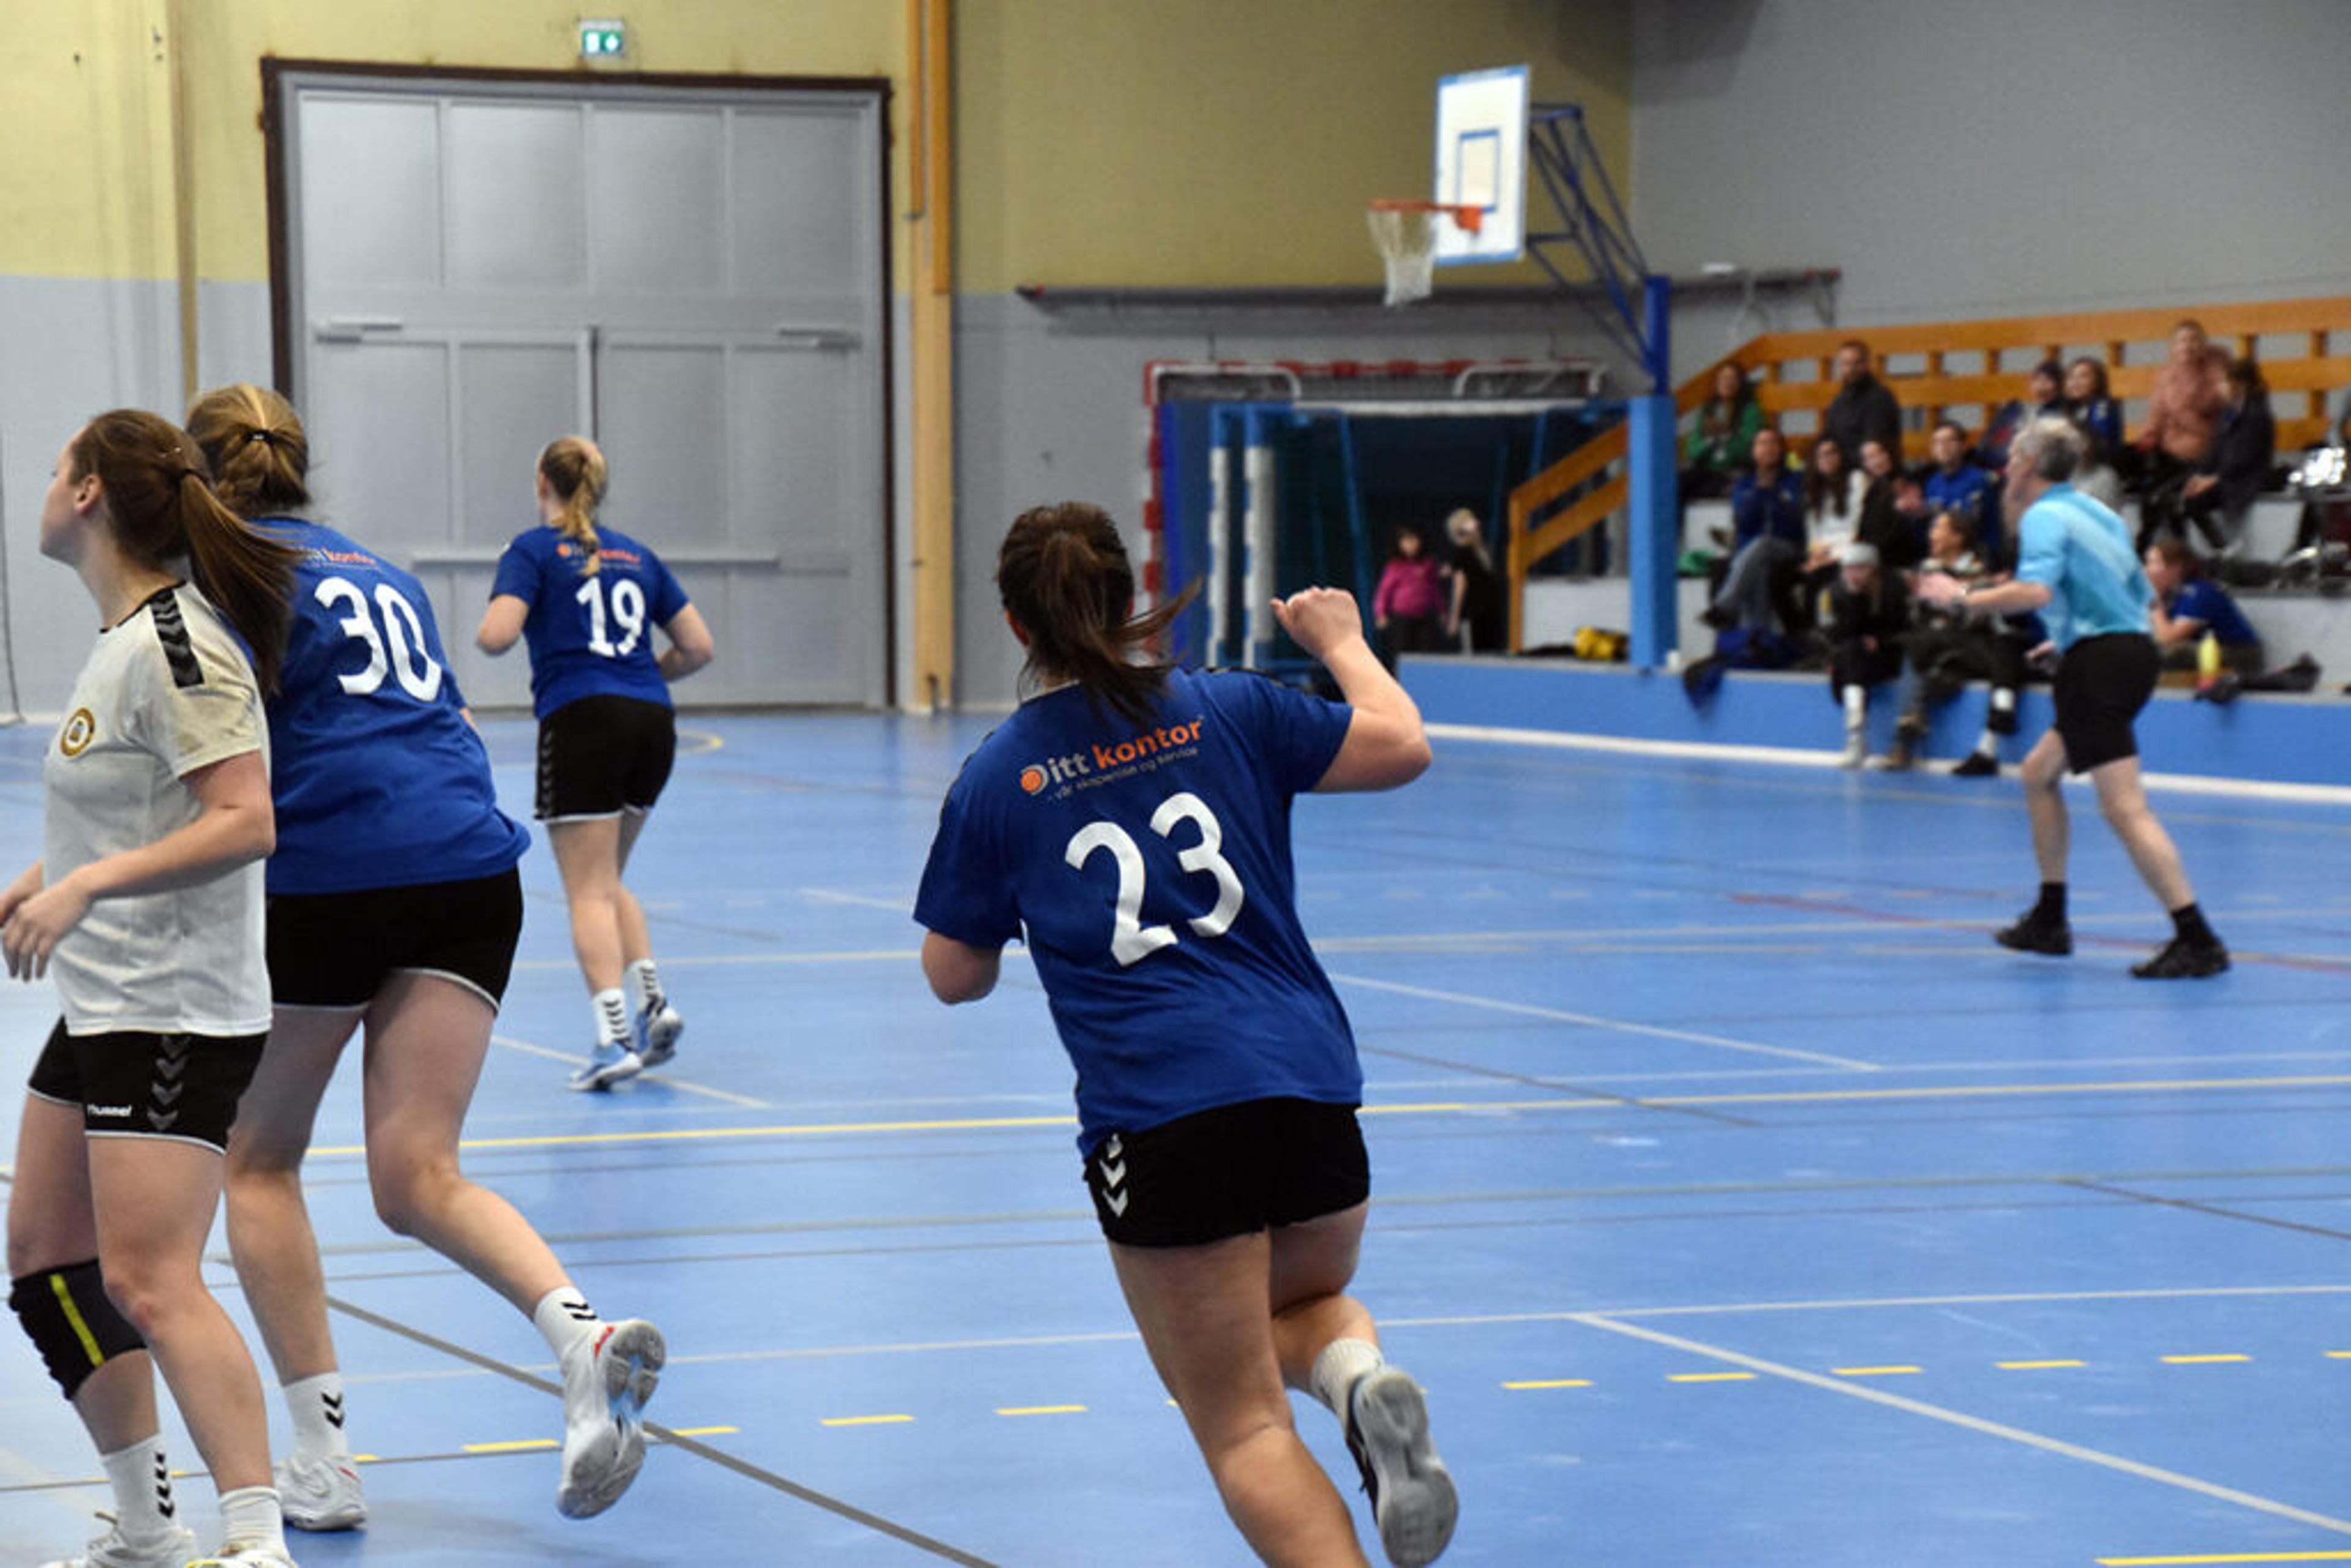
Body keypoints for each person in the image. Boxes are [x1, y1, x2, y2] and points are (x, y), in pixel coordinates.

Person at [915, 503, 1457, 1568]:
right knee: (1302, 1307)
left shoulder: (1000, 775)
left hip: (1163, 1117)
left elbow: (952, 974)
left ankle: (1353, 1409)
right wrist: (1343, 643)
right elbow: (1403, 744)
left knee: (1239, 1421)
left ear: (1017, 625)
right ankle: (1356, 1376)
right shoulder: (1229, 707)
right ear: (1129, 598)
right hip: (1310, 1090)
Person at [187, 386, 667, 1534]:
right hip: (469, 872)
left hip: (336, 873)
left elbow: (223, 762)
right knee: (417, 1176)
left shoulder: (229, 580)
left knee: (258, 1160)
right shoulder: (386, 574)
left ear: (199, 479)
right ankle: (582, 1338)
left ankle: (322, 1461)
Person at [4, 410, 300, 1568]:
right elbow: (135, 810)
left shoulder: (182, 644)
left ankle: (257, 1540)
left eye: (55, 468)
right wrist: (43, 881)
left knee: (150, 1278)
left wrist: (85, 887)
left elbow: (245, 819)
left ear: (88, 495)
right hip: (104, 1000)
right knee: (46, 1263)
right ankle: (145, 1528)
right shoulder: (120, 640)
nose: (43, 487)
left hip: (172, 1007)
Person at [1917, 418, 2229, 979]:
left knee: (2125, 808)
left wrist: (1962, 595)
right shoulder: (2100, 513)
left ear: (2029, 465)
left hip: (2101, 662)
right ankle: (2050, 916)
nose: (2007, 468)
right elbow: (2138, 594)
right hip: (2127, 653)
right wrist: (2071, 642)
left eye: (2013, 458)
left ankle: (2197, 936)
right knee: (2039, 773)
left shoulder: (2043, 515)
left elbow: (2035, 591)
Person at [475, 437, 714, 1089]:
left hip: (583, 718)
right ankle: (653, 1003)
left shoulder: (532, 550)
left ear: (542, 482)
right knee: (606, 877)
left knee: (585, 889)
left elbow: (496, 635)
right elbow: (698, 646)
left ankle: (612, 1038)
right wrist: (640, 675)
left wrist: (503, 612)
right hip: (652, 721)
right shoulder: (637, 554)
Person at [1880, 511, 2036, 776]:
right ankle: (1910, 722)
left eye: (1939, 528)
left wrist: (1956, 594)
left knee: (1926, 648)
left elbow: (1978, 613)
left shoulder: (1979, 572)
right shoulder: (1926, 569)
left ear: (1958, 537)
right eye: (1932, 528)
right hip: (1934, 644)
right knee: (1926, 658)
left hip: (1967, 642)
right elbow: (1918, 612)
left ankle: (1907, 730)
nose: (1932, 534)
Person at [2168, 357, 2275, 555]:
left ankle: (2221, 547)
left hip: (2243, 478)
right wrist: (2200, 476)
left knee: (2194, 503)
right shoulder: (2229, 414)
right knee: (2171, 495)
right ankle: (2181, 549)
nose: (2219, 389)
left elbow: (2244, 458)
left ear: (2239, 385)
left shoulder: (2256, 415)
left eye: (2223, 383)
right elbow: (2216, 452)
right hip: (2223, 474)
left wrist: (2214, 479)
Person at [1704, 426, 1805, 634]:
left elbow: (1794, 522)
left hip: (1787, 547)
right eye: (1762, 443)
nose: (1768, 448)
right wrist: (1760, 492)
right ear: (1754, 451)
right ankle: (1756, 636)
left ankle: (1725, 606)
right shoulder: (1744, 484)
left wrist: (1774, 495)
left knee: (1763, 545)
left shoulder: (1795, 480)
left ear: (1782, 449)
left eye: (1773, 443)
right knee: (1758, 568)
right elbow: (1745, 522)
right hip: (1752, 552)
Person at [1822, 542, 1910, 768]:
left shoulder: (1894, 589)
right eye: (1849, 569)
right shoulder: (1832, 593)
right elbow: (1832, 633)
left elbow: (1905, 629)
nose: (1854, 575)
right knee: (1851, 651)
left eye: (1861, 569)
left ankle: (1855, 737)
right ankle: (1855, 731)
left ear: (1874, 570)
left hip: (1887, 657)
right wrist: (1854, 598)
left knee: (1852, 654)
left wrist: (1880, 641)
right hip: (1850, 658)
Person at [2143, 539, 2263, 677]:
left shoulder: (2199, 592)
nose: (2147, 570)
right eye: (2147, 563)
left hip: (2238, 653)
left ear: (2176, 568)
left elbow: (2169, 638)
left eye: (2154, 563)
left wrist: (2155, 601)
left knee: (2172, 653)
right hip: (2202, 647)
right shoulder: (2172, 593)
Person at [1681, 362, 1762, 502]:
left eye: (1732, 378)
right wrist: (1709, 441)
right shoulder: (1707, 411)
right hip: (1707, 471)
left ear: (1740, 383)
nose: (1727, 383)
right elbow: (1692, 451)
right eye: (1723, 378)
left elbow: (1748, 448)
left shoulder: (1751, 411)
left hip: (1735, 471)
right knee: (1677, 484)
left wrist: (1726, 434)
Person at [1924, 419, 2001, 557]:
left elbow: (1989, 526)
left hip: (1975, 555)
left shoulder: (1980, 480)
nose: (1943, 447)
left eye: (1950, 441)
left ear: (1964, 446)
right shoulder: (1932, 483)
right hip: (1941, 556)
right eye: (1937, 442)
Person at [1821, 339, 1902, 463]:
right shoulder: (1839, 402)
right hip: (1842, 469)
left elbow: (1874, 446)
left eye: (1856, 363)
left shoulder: (1880, 399)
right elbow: (1829, 438)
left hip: (1871, 470)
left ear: (1867, 364)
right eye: (1846, 363)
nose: (1851, 369)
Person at [1978, 360, 2067, 472]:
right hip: (2004, 467)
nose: (2041, 385)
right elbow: (1990, 444)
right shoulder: (2015, 410)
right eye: (2037, 380)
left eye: (2047, 380)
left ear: (2059, 385)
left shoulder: (2064, 415)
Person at [1371, 528, 1445, 657]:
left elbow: (1435, 589)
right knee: (1402, 652)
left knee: (1428, 652)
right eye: (1406, 541)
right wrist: (1381, 614)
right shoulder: (1394, 566)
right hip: (1402, 618)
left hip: (1425, 616)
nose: (1410, 544)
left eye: (1413, 540)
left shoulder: (1428, 564)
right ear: (1400, 544)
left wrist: (1442, 611)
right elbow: (1384, 592)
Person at [1442, 508, 1504, 653]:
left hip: (1488, 614)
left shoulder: (1480, 553)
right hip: (1472, 616)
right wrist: (1455, 617)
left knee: (1489, 653)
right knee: (1475, 655)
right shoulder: (1461, 553)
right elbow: (1459, 587)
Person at [2064, 356, 2125, 462]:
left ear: (2097, 381)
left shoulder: (2103, 405)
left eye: (2083, 377)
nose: (2075, 382)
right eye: (2071, 377)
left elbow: (2099, 441)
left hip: (2100, 466)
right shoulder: (2072, 408)